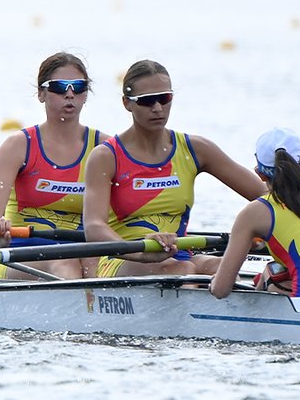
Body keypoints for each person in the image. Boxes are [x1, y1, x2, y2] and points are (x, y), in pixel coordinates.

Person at [83, 59, 265, 277]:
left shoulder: (195, 149)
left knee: (227, 268)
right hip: (123, 258)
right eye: (147, 101)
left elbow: (264, 194)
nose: (158, 108)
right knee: (182, 269)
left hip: (180, 255)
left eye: (165, 98)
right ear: (127, 103)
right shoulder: (106, 156)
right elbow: (94, 226)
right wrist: (139, 253)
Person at [0, 51, 108, 279]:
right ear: (41, 94)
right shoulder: (18, 146)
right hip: (19, 254)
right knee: (67, 264)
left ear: (85, 94)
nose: (70, 94)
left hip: (83, 253)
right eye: (59, 87)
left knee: (90, 262)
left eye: (78, 87)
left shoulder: (104, 148)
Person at [211, 128, 300, 298]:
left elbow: (221, 291)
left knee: (271, 273)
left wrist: (214, 282)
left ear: (260, 174)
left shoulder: (255, 213)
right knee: (273, 270)